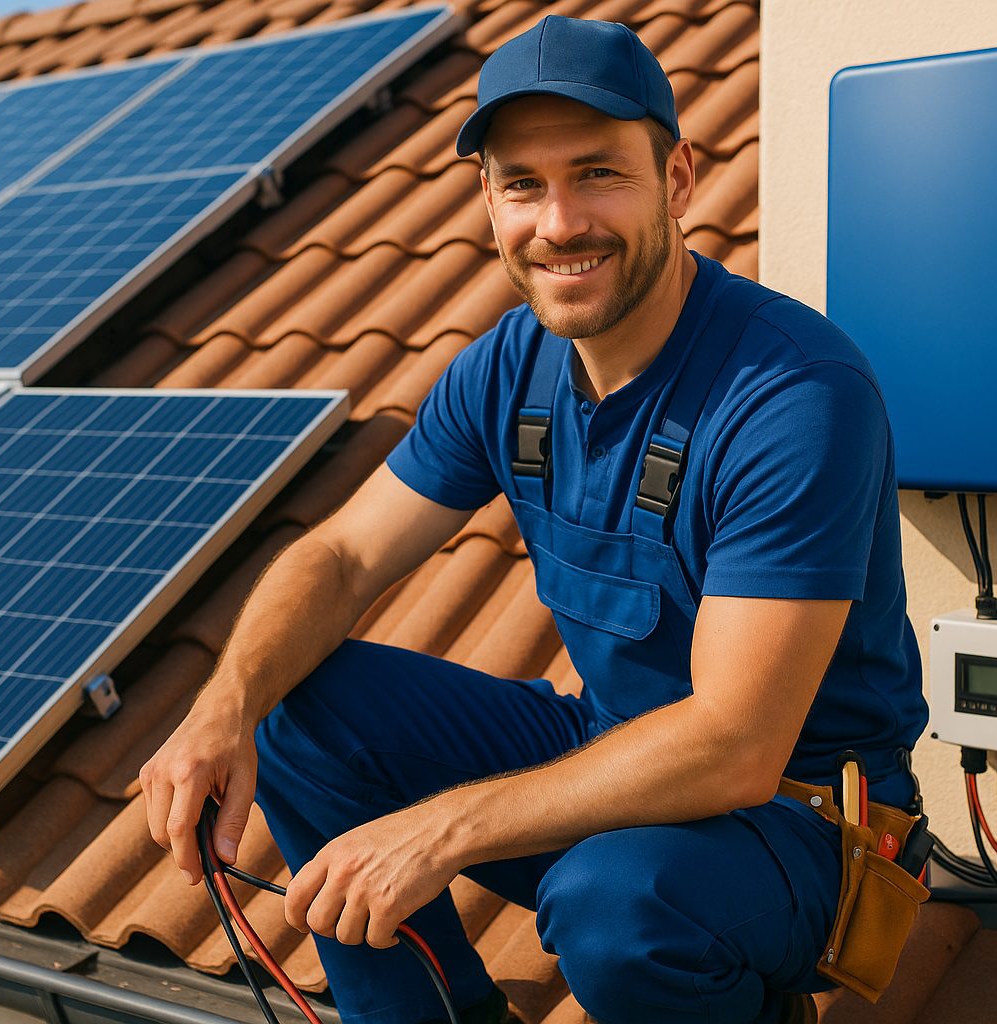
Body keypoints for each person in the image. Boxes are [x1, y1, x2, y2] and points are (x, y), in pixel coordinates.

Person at [140, 15, 928, 1024]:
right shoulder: (507, 370)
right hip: (611, 752)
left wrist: (439, 830)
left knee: (617, 907)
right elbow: (339, 556)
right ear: (489, 200)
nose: (560, 223)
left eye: (599, 173)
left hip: (793, 817)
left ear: (679, 181)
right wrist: (221, 710)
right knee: (298, 701)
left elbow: (736, 743)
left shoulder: (793, 394)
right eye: (524, 184)